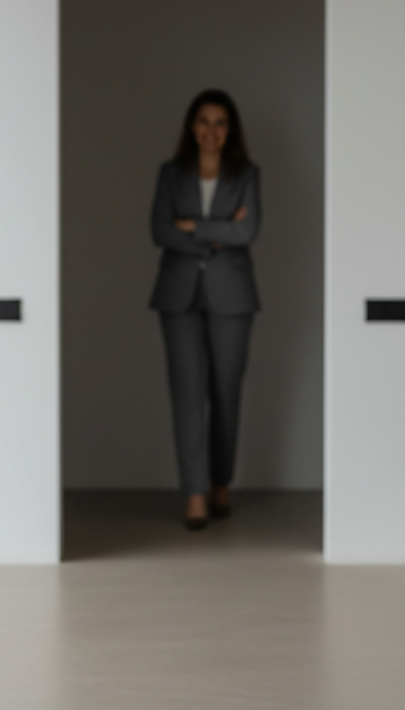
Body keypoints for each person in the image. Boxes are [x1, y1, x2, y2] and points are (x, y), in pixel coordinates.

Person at [149, 89, 261, 530]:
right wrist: (219, 231)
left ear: (229, 129)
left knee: (226, 394)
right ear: (191, 127)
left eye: (219, 122)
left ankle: (220, 483)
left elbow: (249, 230)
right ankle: (195, 492)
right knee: (187, 395)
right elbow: (159, 230)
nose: (210, 131)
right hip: (178, 295)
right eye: (203, 121)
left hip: (233, 297)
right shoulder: (170, 173)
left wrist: (191, 225)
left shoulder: (246, 174)